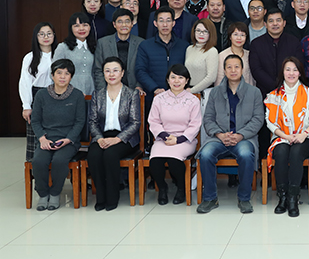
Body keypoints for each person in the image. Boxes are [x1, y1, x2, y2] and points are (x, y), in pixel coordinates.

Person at [197, 54, 264, 214]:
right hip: (218, 138)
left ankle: (244, 198)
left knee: (246, 154)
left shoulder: (254, 92)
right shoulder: (215, 92)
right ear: (224, 71)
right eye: (229, 67)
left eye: (236, 67)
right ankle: (210, 198)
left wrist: (240, 135)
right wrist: (219, 134)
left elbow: (258, 119)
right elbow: (208, 118)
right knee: (205, 154)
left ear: (242, 69)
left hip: (244, 138)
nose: (233, 70)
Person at [264, 57, 309, 217]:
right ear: (282, 72)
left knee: (296, 152)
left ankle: (293, 198)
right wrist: (286, 136)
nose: (291, 73)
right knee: (281, 152)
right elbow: (270, 122)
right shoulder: (274, 95)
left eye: (295, 70)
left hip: (305, 137)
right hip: (282, 136)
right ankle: (283, 197)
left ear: (300, 73)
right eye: (288, 69)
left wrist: (304, 134)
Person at [30, 59, 86, 211]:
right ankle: (43, 194)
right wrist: (42, 138)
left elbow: (80, 122)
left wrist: (68, 139)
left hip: (68, 140)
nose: (62, 77)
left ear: (71, 77)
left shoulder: (77, 95)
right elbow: (35, 120)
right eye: (59, 73)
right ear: (52, 75)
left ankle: (55, 193)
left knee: (59, 160)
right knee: (38, 161)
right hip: (46, 139)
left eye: (67, 73)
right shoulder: (42, 95)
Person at [87, 57, 141, 211]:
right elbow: (92, 121)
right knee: (94, 155)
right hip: (102, 136)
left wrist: (118, 139)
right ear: (103, 74)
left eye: (115, 70)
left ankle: (112, 197)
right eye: (107, 71)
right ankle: (101, 197)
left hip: (125, 138)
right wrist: (99, 138)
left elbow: (135, 122)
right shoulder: (97, 94)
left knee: (110, 155)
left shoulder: (131, 94)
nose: (111, 74)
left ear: (122, 73)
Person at [148, 64, 202, 205]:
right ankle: (163, 188)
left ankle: (181, 188)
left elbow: (195, 124)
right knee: (155, 161)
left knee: (174, 161)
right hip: (163, 138)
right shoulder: (159, 99)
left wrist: (179, 139)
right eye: (173, 77)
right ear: (167, 80)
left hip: (186, 140)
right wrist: (165, 136)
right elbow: (153, 121)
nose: (176, 81)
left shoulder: (193, 100)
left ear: (187, 80)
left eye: (181, 78)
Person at [19, 22, 57, 161]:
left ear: (54, 36)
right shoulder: (30, 57)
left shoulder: (59, 54)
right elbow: (25, 82)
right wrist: (26, 106)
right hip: (37, 96)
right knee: (36, 135)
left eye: (49, 34)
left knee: (56, 132)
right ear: (36, 36)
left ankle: (56, 168)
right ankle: (35, 169)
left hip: (57, 96)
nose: (45, 37)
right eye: (41, 34)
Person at [136, 7, 189, 103]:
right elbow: (140, 71)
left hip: (179, 97)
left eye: (168, 21)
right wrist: (154, 88)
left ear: (173, 23)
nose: (165, 25)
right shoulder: (145, 45)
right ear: (155, 23)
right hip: (153, 97)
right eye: (161, 21)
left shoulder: (184, 46)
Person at [250, 8, 304, 96]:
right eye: (271, 21)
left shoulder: (294, 42)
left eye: (278, 20)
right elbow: (256, 70)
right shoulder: (256, 44)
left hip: (290, 91)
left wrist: (284, 87)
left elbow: (299, 65)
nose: (275, 24)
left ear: (284, 23)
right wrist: (275, 87)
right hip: (264, 92)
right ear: (265, 24)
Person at [93, 8, 145, 94]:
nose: (124, 25)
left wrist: (139, 86)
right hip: (109, 91)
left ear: (132, 23)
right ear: (114, 24)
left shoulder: (141, 43)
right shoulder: (103, 43)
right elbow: (98, 70)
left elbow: (144, 68)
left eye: (127, 21)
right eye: (120, 22)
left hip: (134, 90)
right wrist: (103, 90)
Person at [54, 12, 96, 96]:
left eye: (85, 25)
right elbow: (54, 71)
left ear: (90, 27)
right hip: (69, 93)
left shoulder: (95, 47)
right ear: (71, 28)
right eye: (76, 26)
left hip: (91, 92)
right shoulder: (63, 47)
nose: (81, 29)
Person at [185, 19, 219, 94]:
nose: (201, 34)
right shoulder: (189, 49)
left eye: (205, 31)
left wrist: (192, 90)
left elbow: (211, 78)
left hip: (204, 93)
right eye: (198, 30)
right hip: (188, 91)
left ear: (211, 33)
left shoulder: (212, 51)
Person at [217, 22, 255, 87]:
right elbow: (219, 80)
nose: (239, 38)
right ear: (230, 37)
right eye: (235, 34)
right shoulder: (222, 55)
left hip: (248, 91)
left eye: (242, 35)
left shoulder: (250, 55)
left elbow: (252, 79)